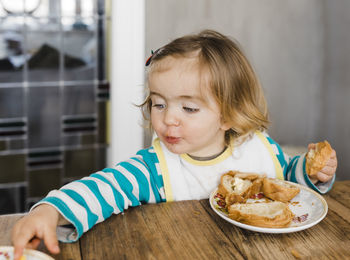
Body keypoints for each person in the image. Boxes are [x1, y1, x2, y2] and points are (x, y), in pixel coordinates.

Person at [11, 30, 337, 259]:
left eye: (189, 108)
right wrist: (51, 211)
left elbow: (287, 180)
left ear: (229, 115)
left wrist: (313, 172)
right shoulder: (155, 168)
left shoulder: (258, 148)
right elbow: (104, 188)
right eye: (159, 103)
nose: (169, 120)